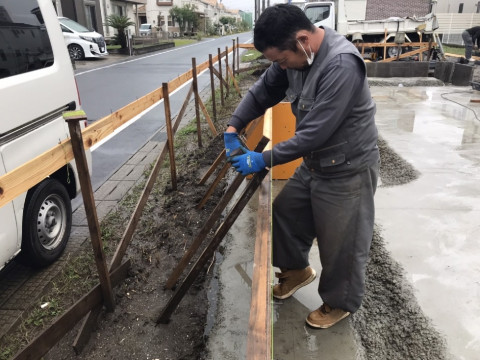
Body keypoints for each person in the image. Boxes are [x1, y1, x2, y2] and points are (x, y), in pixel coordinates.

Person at [223, 4, 380, 329]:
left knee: (342, 242)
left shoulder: (341, 66)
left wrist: (260, 159)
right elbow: (264, 90)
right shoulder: (294, 57)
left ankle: (339, 303)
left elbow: (313, 134)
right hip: (316, 162)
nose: (280, 67)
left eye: (281, 60)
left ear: (304, 40)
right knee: (286, 211)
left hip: (348, 167)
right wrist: (233, 127)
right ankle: (297, 271)